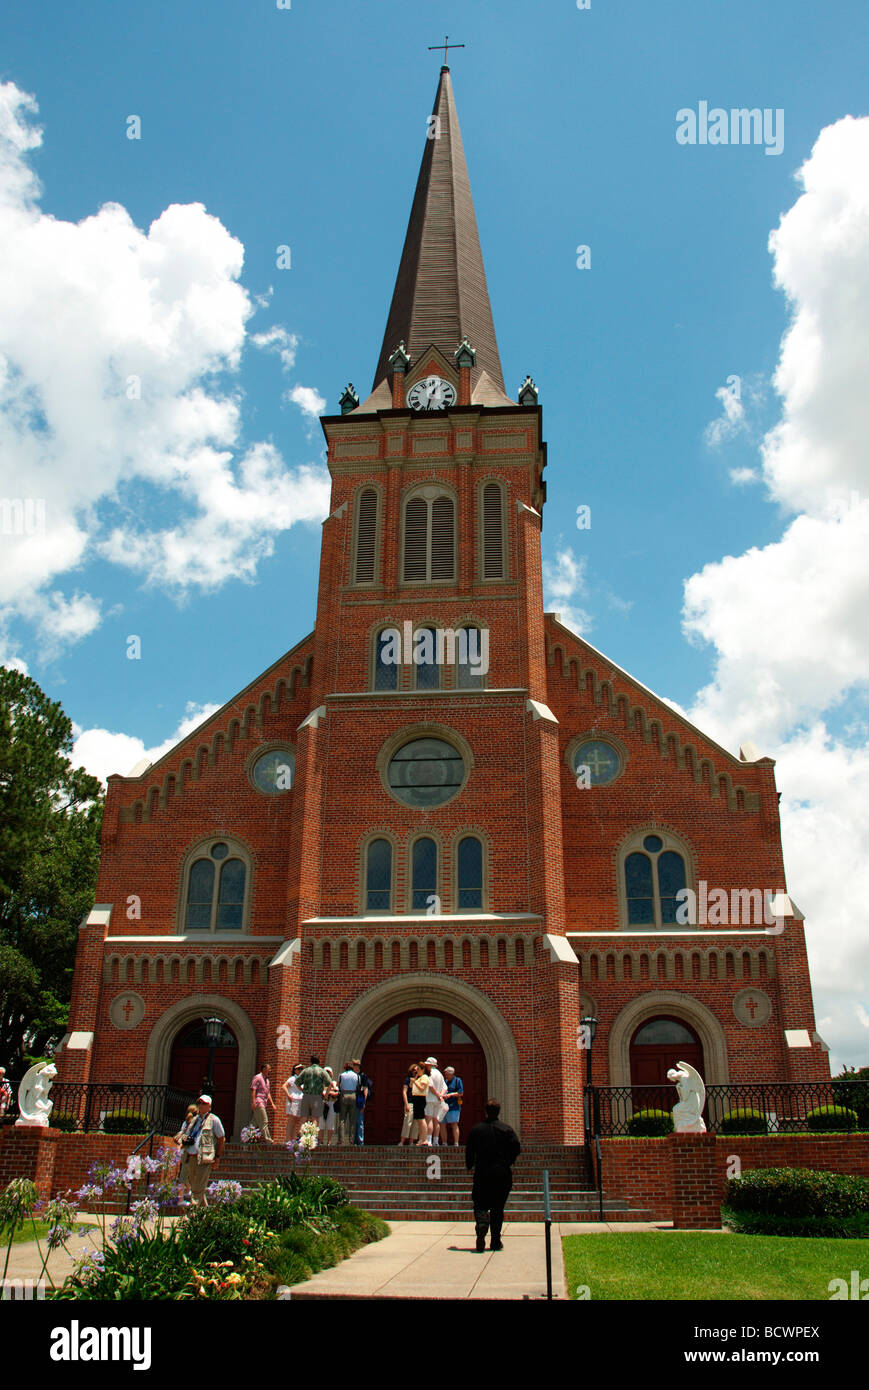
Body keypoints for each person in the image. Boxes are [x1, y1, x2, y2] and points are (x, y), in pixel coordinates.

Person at [466, 1099, 521, 1252]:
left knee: (479, 1203)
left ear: (485, 1112)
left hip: (482, 1173)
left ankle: (482, 1223)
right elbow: (516, 1148)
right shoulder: (507, 1130)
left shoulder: (476, 1130)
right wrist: (507, 1162)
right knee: (498, 1208)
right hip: (502, 1174)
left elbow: (469, 1150)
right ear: (499, 1112)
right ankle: (495, 1241)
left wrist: (470, 1164)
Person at [186, 1094, 226, 1207]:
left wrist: (217, 1157)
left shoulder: (214, 1120)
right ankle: (204, 1213)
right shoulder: (194, 1120)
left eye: (204, 1103)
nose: (200, 1105)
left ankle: (192, 1214)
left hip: (205, 1158)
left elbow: (222, 1138)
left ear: (209, 1106)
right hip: (192, 1156)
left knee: (197, 1188)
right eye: (199, 1103)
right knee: (195, 1185)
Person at [173, 1102, 200, 1204]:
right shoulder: (195, 1123)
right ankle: (180, 1199)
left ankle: (188, 1191)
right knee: (184, 1177)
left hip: (184, 1151)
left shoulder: (185, 1123)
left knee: (187, 1174)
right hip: (190, 1152)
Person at [297, 1055, 330, 1123]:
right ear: (319, 1061)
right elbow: (329, 1084)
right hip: (317, 1097)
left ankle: (301, 1132)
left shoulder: (305, 1070)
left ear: (310, 1062)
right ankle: (313, 1133)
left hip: (306, 1096)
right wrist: (325, 1097)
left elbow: (297, 1083)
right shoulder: (322, 1071)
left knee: (303, 1118)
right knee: (315, 1118)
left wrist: (302, 1090)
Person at [424, 1056, 447, 1145]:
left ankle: (429, 1140)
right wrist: (440, 1095)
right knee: (436, 1120)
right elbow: (445, 1087)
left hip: (430, 1099)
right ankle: (436, 1141)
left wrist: (438, 1095)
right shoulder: (440, 1074)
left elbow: (430, 1086)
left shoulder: (429, 1073)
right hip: (438, 1100)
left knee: (429, 1119)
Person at [250, 1062, 275, 1143]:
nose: (270, 1071)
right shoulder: (257, 1077)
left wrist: (272, 1104)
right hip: (258, 1102)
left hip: (264, 1102)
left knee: (254, 1123)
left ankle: (247, 1136)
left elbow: (268, 1093)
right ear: (264, 1069)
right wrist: (253, 1101)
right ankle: (268, 1139)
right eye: (269, 1069)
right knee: (264, 1120)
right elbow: (253, 1089)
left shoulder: (267, 1080)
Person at [337, 1060, 359, 1145]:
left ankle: (341, 1140)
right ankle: (351, 1140)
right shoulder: (356, 1076)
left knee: (342, 1119)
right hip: (353, 1095)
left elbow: (338, 1085)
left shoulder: (341, 1075)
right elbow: (358, 1086)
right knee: (352, 1119)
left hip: (344, 1094)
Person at [408, 1063, 430, 1146]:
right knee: (418, 1120)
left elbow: (422, 1088)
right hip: (416, 1099)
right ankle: (421, 1139)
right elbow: (410, 1086)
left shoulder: (425, 1077)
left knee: (421, 1119)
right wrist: (415, 1078)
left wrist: (415, 1082)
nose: (417, 1071)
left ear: (423, 1069)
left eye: (418, 1070)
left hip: (420, 1099)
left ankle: (425, 1139)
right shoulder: (419, 1078)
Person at [282, 1062, 305, 1142]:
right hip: (294, 1100)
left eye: (302, 1069)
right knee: (291, 1120)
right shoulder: (292, 1078)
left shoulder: (302, 1079)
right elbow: (284, 1086)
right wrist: (288, 1096)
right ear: (295, 1070)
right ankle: (288, 1139)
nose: (301, 1070)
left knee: (296, 1121)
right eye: (299, 1069)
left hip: (300, 1100)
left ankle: (293, 1138)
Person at [352, 1058, 372, 1145]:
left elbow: (365, 1089)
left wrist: (364, 1101)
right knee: (352, 1121)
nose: (356, 1068)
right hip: (351, 1099)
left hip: (359, 1099)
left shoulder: (363, 1076)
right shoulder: (351, 1076)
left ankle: (360, 1141)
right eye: (354, 1067)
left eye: (357, 1067)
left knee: (359, 1121)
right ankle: (352, 1140)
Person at [443, 1066, 463, 1145]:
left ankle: (456, 1143)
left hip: (454, 1106)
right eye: (445, 1074)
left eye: (447, 1074)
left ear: (451, 1074)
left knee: (454, 1124)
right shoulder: (445, 1081)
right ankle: (444, 1143)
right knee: (442, 1123)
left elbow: (460, 1093)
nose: (446, 1076)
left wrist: (451, 1095)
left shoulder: (458, 1081)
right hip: (444, 1106)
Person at [318, 1067, 339, 1146]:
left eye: (329, 1072)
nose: (327, 1074)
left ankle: (329, 1141)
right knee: (321, 1123)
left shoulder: (333, 1083)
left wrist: (328, 1093)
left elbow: (336, 1093)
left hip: (332, 1104)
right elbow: (320, 1093)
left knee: (330, 1122)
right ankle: (320, 1140)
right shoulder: (320, 1083)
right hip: (322, 1103)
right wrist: (330, 1093)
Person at [399, 1070, 415, 1145]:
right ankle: (402, 1142)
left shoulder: (420, 1079)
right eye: (414, 1070)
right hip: (410, 1102)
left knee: (416, 1124)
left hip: (418, 1103)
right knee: (407, 1121)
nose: (416, 1072)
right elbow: (404, 1092)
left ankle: (411, 1142)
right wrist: (407, 1104)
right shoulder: (408, 1079)